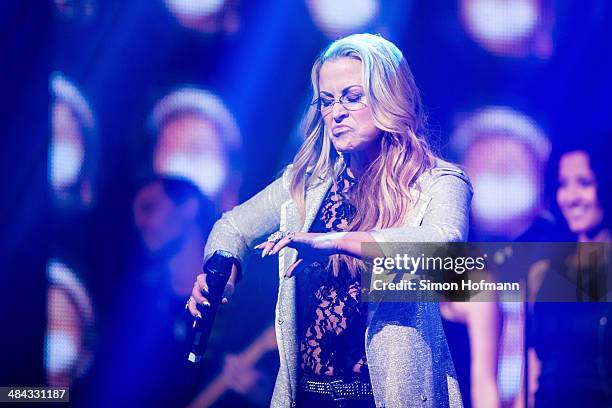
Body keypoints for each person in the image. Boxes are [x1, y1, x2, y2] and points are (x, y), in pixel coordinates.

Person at [187, 33, 472, 407]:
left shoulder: (438, 182)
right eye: (327, 101)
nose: (337, 112)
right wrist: (221, 269)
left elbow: (445, 251)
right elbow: (232, 226)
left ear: (388, 97)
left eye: (353, 97)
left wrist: (336, 240)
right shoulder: (306, 184)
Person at [525, 142, 612, 407]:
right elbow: (533, 366)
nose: (571, 197)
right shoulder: (543, 272)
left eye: (584, 183)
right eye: (563, 184)